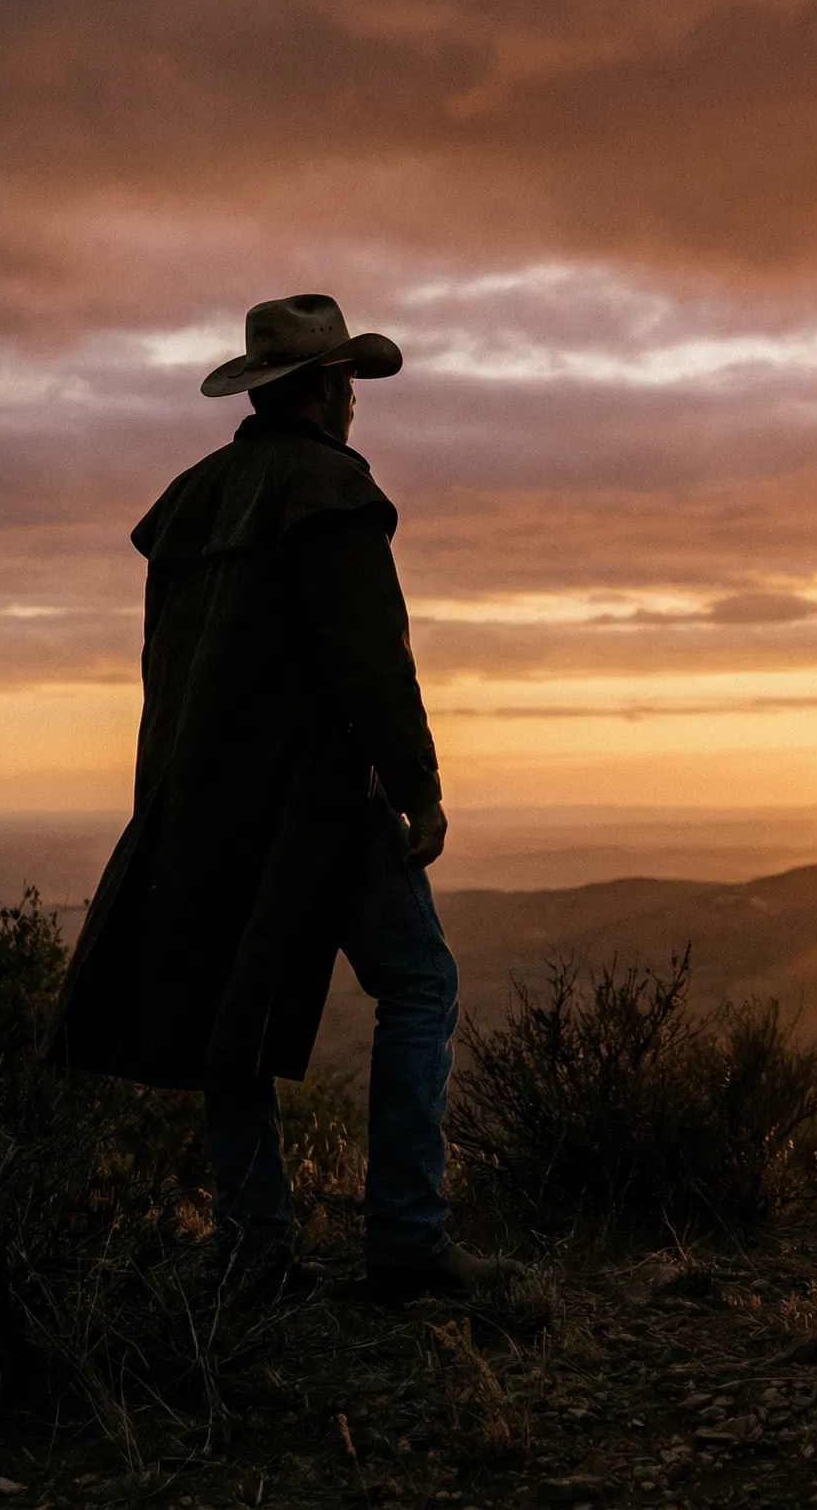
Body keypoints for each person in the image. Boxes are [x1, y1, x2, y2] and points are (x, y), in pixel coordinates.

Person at [44, 293, 522, 1304]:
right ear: (324, 389)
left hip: (201, 802)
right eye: (348, 381)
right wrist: (419, 789)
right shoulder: (327, 493)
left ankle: (257, 1251)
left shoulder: (195, 501)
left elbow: (162, 672)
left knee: (232, 1018)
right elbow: (370, 663)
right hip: (312, 804)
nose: (355, 401)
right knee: (419, 981)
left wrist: (166, 797)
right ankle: (405, 1242)